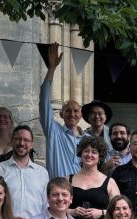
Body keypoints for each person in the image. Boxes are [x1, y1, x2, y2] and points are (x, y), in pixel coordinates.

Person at [41, 43, 86, 178]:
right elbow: (44, 102)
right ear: (61, 114)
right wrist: (52, 69)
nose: (72, 114)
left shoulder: (87, 140)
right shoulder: (54, 132)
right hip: (58, 188)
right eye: (68, 111)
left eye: (76, 111)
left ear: (81, 115)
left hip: (81, 189)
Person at [0, 125, 49, 219]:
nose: (21, 143)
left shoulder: (42, 173)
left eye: (26, 140)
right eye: (17, 139)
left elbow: (46, 205)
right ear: (11, 142)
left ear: (31, 145)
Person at [69, 136, 120, 219]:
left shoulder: (109, 182)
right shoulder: (68, 180)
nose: (89, 155)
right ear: (80, 154)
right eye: (86, 151)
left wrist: (101, 213)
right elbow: (56, 208)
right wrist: (72, 212)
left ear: (100, 157)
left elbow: (119, 210)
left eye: (94, 152)